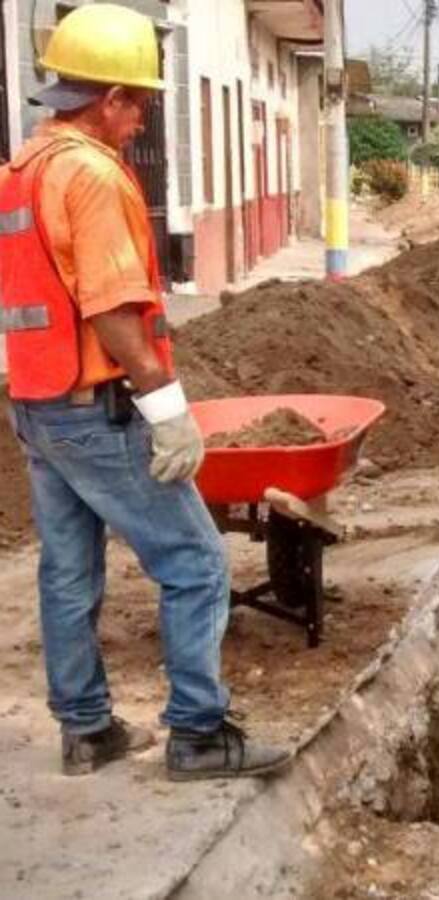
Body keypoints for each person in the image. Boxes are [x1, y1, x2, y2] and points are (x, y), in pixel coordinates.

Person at [0, 4, 287, 780]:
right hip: (96, 409)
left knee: (67, 570)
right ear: (111, 98)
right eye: (141, 105)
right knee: (195, 561)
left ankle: (86, 729)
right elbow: (113, 311)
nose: (141, 122)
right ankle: (197, 734)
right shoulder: (91, 176)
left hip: (35, 404)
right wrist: (170, 414)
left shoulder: (22, 169)